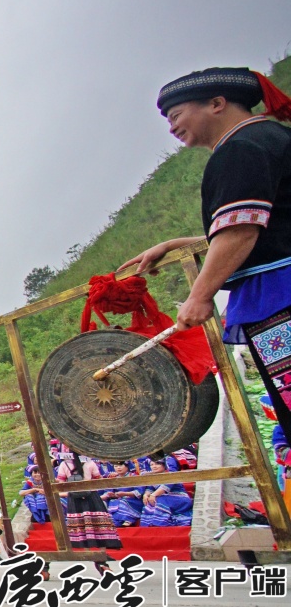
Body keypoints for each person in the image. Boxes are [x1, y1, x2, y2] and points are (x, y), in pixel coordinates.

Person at [121, 69, 291, 430]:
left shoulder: (241, 147)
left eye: (176, 115)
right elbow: (270, 226)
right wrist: (175, 246)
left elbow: (241, 232)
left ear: (216, 104)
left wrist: (200, 296)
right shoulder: (269, 138)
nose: (171, 127)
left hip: (282, 295)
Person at [54, 456, 122, 548]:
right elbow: (98, 478)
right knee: (97, 524)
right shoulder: (89, 462)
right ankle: (102, 552)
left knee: (79, 524)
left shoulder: (64, 463)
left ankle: (87, 552)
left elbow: (61, 481)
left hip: (74, 497)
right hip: (91, 495)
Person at [139, 454, 194, 527]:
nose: (154, 466)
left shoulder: (170, 475)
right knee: (150, 501)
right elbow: (150, 488)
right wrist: (146, 495)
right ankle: (151, 523)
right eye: (152, 464)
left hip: (179, 498)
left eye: (157, 464)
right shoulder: (153, 477)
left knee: (160, 499)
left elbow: (165, 487)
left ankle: (160, 523)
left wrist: (153, 495)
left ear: (164, 465)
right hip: (163, 498)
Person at [101, 462, 144, 527]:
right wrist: (110, 495)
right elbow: (108, 492)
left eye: (120, 465)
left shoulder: (134, 477)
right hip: (118, 499)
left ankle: (128, 519)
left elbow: (139, 491)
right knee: (113, 502)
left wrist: (124, 494)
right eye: (116, 466)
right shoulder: (113, 478)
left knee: (122, 502)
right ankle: (116, 521)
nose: (118, 468)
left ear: (127, 466)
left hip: (133, 500)